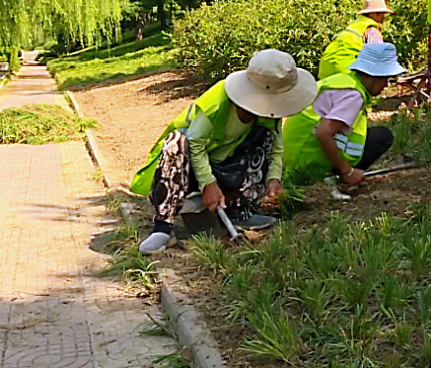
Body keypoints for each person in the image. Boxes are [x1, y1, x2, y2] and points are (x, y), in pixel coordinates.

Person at [130, 49, 317, 253]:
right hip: (187, 169)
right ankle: (163, 228)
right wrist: (208, 184)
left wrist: (274, 179)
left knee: (265, 138)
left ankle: (239, 210)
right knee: (176, 142)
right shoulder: (217, 103)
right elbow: (194, 144)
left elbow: (276, 147)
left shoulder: (269, 112)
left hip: (226, 166)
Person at [284, 42, 407, 188]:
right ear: (374, 76)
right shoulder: (353, 95)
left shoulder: (344, 81)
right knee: (383, 137)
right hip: (306, 161)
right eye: (385, 79)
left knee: (377, 135)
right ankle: (334, 177)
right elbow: (323, 133)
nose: (386, 85)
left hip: (295, 154)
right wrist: (347, 171)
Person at [317, 0, 393, 80]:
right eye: (382, 14)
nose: (384, 18)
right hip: (346, 73)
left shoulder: (354, 26)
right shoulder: (372, 30)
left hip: (325, 72)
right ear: (373, 13)